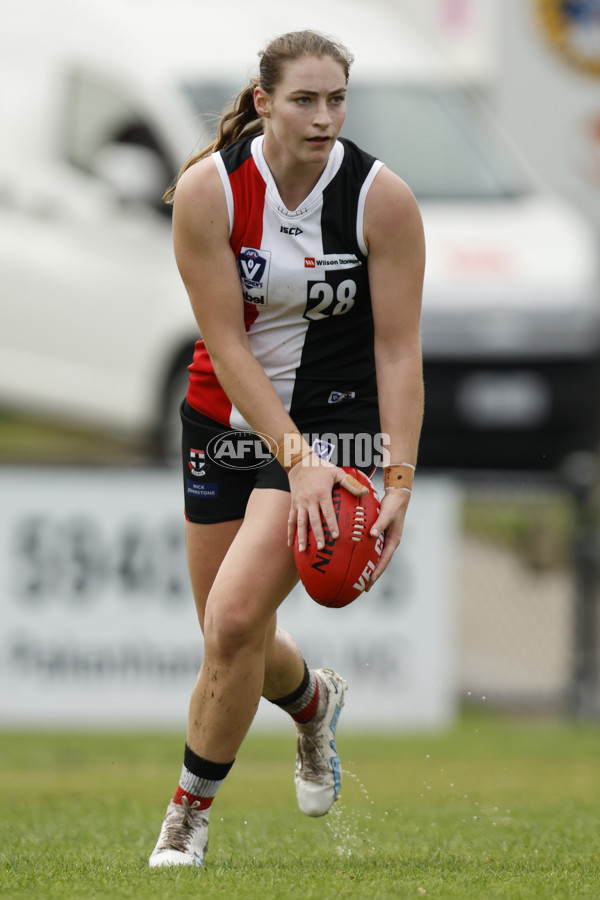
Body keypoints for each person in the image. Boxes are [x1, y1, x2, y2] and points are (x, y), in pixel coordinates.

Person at [149, 29, 424, 868]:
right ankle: (312, 703)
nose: (324, 116)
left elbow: (398, 350)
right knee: (228, 638)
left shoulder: (381, 198)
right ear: (263, 102)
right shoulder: (210, 190)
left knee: (234, 621)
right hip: (222, 417)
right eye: (305, 99)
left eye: (337, 98)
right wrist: (288, 453)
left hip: (336, 424)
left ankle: (185, 819)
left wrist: (397, 476)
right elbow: (226, 345)